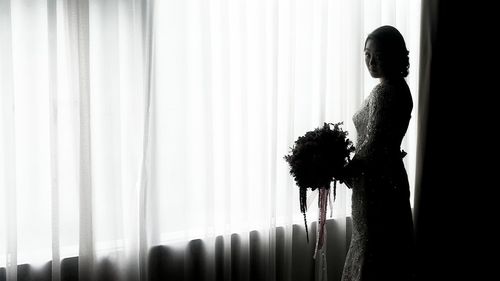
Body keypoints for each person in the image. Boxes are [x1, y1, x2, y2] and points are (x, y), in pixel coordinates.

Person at [340, 25, 416, 281]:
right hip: (382, 179)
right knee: (378, 247)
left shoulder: (387, 91)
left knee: (374, 247)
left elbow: (373, 144)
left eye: (378, 55)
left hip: (377, 185)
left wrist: (345, 169)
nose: (371, 62)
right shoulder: (394, 87)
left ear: (394, 56)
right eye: (367, 55)